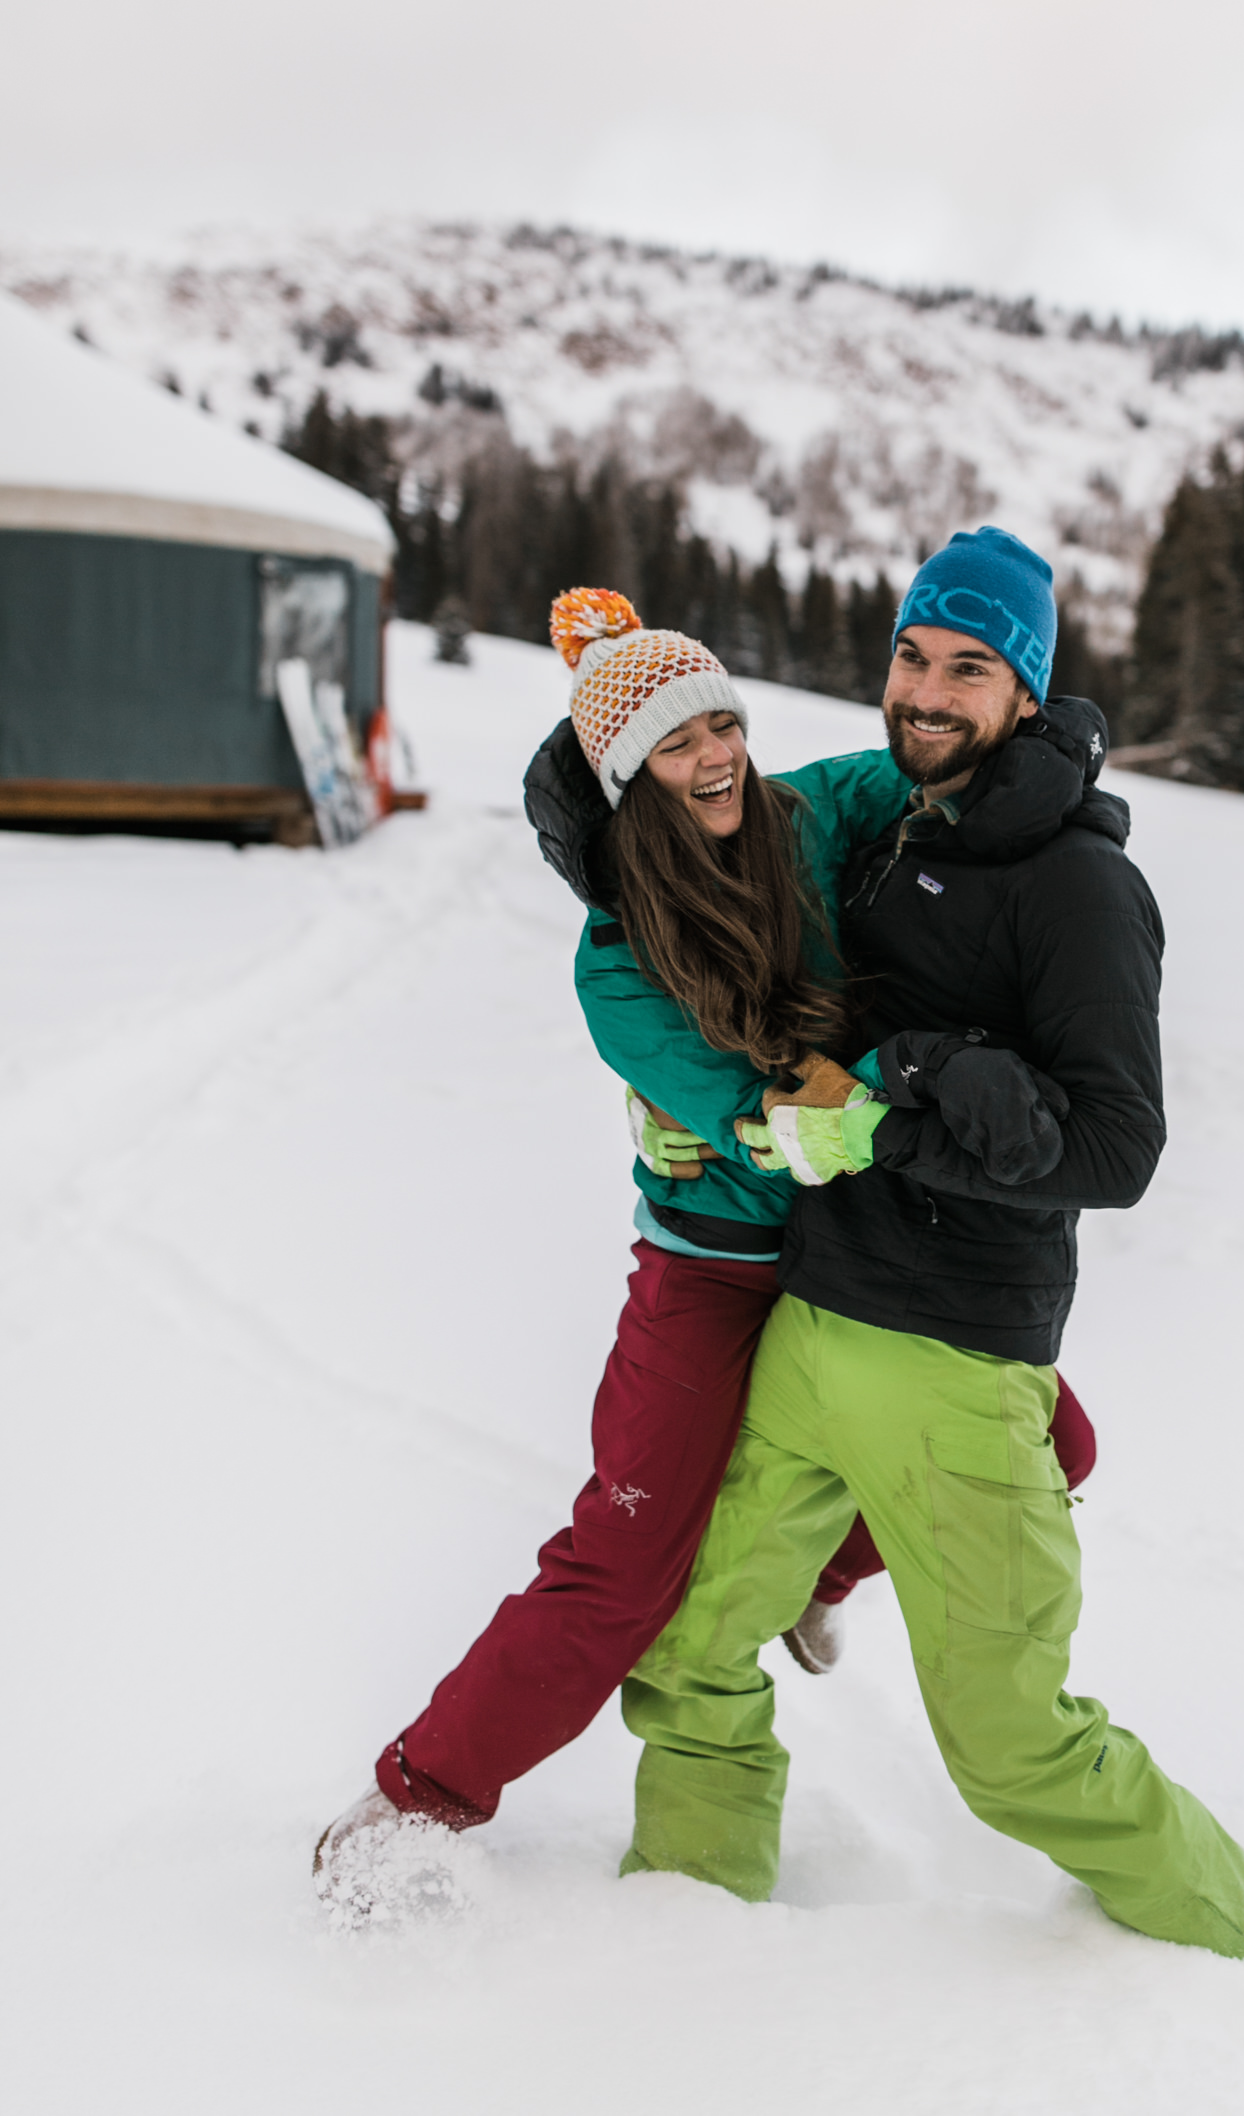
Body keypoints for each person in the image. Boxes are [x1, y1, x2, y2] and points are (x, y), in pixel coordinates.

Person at [314, 586, 1098, 1908]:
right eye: (677, 741)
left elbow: (945, 770)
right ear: (627, 773)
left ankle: (812, 1573)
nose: (715, 754)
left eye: (723, 721)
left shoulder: (804, 816)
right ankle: (421, 1793)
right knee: (624, 1569)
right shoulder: (617, 959)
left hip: (862, 1253)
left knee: (1057, 1444)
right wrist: (883, 1090)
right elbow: (771, 1122)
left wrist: (1061, 748)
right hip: (716, 1275)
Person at [617, 527, 1244, 1960]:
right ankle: (675, 1942)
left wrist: (889, 1115)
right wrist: (685, 1108)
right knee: (684, 1648)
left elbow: (1118, 1147)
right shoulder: (895, 836)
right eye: (912, 656)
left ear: (1027, 692)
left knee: (1012, 1753)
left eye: (967, 667)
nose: (925, 691)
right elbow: (804, 1026)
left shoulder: (1080, 888)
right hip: (811, 1333)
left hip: (957, 1368)